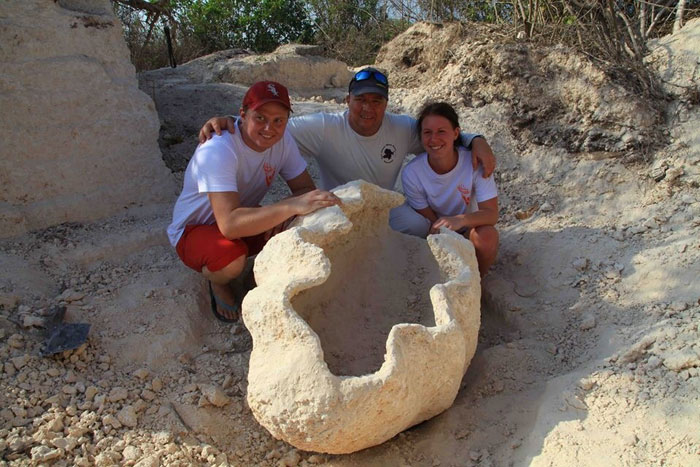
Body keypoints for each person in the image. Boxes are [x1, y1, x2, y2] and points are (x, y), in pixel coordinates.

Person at [198, 67, 497, 237]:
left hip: (383, 209)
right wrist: (231, 121)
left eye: (376, 101)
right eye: (361, 100)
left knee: (421, 224)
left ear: (386, 104)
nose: (368, 108)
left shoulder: (403, 128)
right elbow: (270, 128)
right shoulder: (323, 127)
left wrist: (477, 140)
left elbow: (439, 137)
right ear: (347, 99)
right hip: (333, 206)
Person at [167, 81, 340, 322]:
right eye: (260, 118)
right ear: (243, 115)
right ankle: (217, 281)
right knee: (232, 258)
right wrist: (290, 206)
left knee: (296, 224)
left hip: (240, 216)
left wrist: (292, 210)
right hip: (194, 228)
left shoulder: (282, 141)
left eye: (278, 120)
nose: (269, 127)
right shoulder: (218, 148)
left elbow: (303, 189)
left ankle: (255, 279)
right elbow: (229, 224)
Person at [401, 102, 499, 277]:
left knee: (487, 237)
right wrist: (446, 231)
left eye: (441, 131)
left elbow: (491, 214)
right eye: (427, 133)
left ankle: (478, 281)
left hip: (469, 226)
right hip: (436, 229)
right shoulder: (412, 173)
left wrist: (460, 220)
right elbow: (431, 221)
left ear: (455, 133)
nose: (434, 139)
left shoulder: (475, 163)